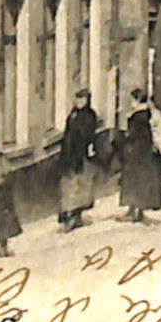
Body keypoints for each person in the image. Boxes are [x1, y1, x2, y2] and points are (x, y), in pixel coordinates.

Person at [120, 88, 161, 221]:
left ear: (136, 100)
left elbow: (138, 135)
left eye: (132, 99)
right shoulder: (149, 113)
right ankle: (135, 209)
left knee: (136, 182)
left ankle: (136, 211)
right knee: (142, 182)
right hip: (146, 154)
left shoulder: (139, 116)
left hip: (138, 154)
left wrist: (126, 140)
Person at [58, 88, 98, 232]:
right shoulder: (72, 115)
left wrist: (90, 149)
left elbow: (91, 136)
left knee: (81, 185)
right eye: (78, 98)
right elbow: (68, 135)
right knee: (69, 185)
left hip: (82, 156)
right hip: (69, 155)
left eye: (82, 99)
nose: (79, 102)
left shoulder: (90, 116)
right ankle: (69, 216)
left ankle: (77, 215)